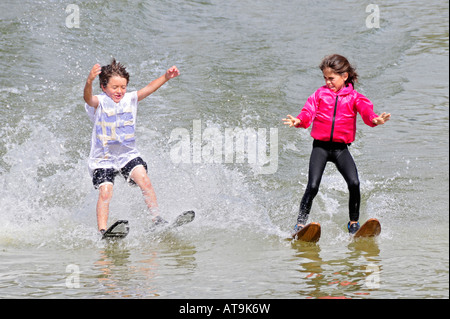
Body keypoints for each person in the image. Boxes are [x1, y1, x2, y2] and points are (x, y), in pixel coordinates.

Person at [282, 54, 390, 234]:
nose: (328, 82)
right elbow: (307, 112)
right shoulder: (319, 94)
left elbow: (366, 111)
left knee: (354, 183)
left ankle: (353, 223)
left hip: (341, 149)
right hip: (320, 147)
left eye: (331, 78)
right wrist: (299, 121)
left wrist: (375, 119)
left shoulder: (355, 97)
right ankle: (300, 224)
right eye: (325, 78)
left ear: (344, 76)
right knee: (313, 185)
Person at [83, 58, 180, 234]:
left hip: (127, 155)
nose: (119, 91)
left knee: (144, 180)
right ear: (104, 87)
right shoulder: (100, 102)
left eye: (123, 87)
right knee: (105, 192)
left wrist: (166, 77)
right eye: (114, 87)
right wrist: (89, 81)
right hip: (102, 159)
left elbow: (149, 88)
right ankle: (103, 231)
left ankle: (157, 219)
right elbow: (87, 98)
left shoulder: (130, 99)